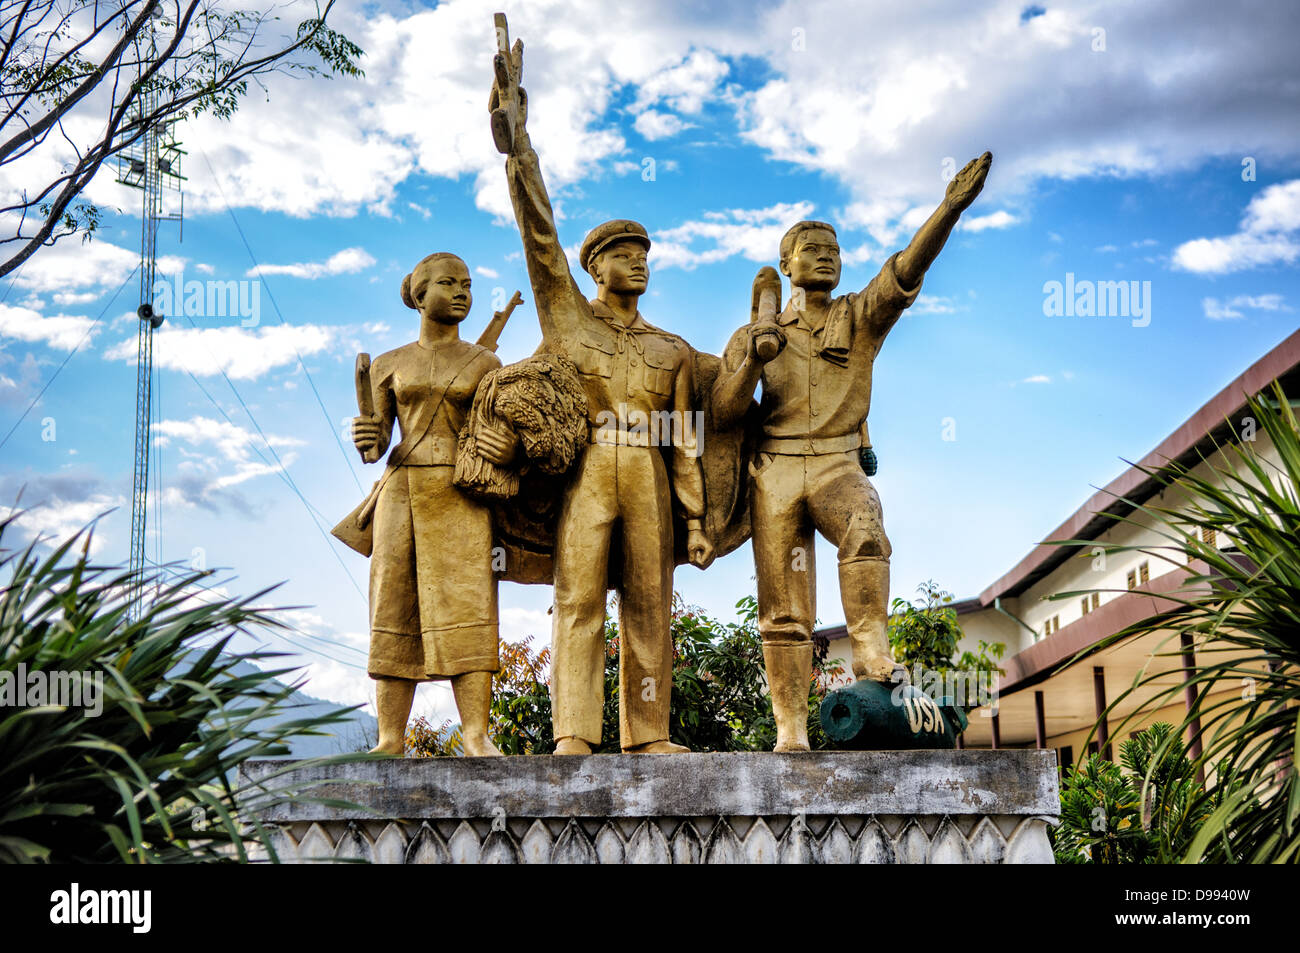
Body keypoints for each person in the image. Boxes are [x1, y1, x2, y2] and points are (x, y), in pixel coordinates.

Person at [712, 153, 993, 751]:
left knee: (866, 525)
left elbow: (905, 271)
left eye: (834, 248)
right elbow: (724, 413)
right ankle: (790, 727)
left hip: (839, 462)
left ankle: (871, 654)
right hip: (777, 467)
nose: (827, 255)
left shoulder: (859, 317)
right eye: (811, 247)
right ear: (786, 266)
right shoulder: (758, 331)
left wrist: (948, 208)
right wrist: (753, 360)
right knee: (784, 609)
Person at [481, 35, 712, 755]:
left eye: (643, 254)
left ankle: (650, 734)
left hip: (647, 470)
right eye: (622, 254)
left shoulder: (669, 348)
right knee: (578, 600)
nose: (637, 263)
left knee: (650, 603)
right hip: (587, 469)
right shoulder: (569, 318)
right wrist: (518, 140)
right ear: (595, 266)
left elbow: (685, 437)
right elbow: (539, 236)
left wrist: (697, 519)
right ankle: (574, 733)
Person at [350, 252, 505, 757]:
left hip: (462, 494)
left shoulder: (487, 363)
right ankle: (390, 737)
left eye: (467, 283)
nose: (462, 292)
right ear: (419, 295)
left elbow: (497, 431)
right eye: (448, 283)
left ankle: (476, 734)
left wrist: (508, 448)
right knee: (394, 603)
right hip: (401, 490)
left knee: (470, 602)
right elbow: (374, 450)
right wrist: (366, 435)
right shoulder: (389, 363)